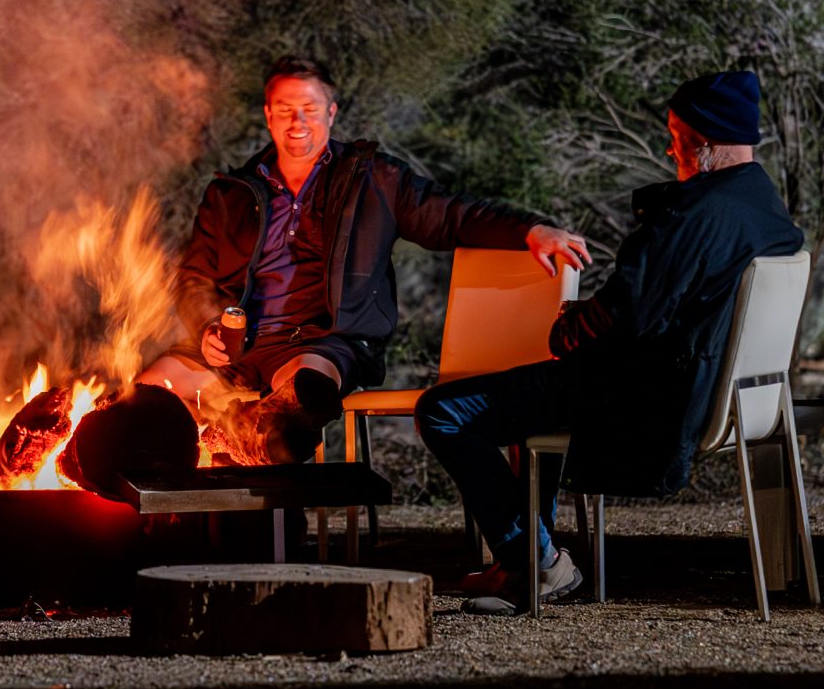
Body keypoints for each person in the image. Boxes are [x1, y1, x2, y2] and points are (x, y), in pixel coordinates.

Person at [415, 70, 806, 609]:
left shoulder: (695, 214)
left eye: (676, 135)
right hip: (706, 392)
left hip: (644, 401)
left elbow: (628, 312)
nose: (671, 148)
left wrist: (566, 328)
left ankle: (540, 563)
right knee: (535, 399)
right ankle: (525, 564)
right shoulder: (763, 206)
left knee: (443, 411)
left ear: (705, 143)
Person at [138, 54, 590, 465]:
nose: (298, 122)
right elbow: (193, 278)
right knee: (143, 398)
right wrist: (207, 327)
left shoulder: (372, 180)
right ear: (268, 116)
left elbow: (451, 214)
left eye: (310, 109)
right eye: (285, 109)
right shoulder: (230, 194)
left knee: (300, 397)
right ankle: (171, 510)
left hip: (320, 344)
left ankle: (254, 443)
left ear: (331, 114)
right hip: (234, 349)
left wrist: (528, 230)